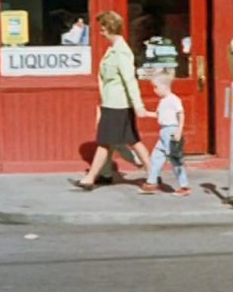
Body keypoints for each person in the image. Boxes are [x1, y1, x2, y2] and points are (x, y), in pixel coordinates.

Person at [70, 11, 155, 191]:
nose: (101, 32)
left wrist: (139, 106)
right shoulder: (113, 50)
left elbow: (129, 80)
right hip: (112, 103)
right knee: (131, 141)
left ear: (109, 29)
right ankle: (152, 174)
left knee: (106, 142)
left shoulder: (121, 52)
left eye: (102, 29)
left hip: (118, 104)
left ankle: (90, 178)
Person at [138, 73, 190, 196]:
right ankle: (152, 182)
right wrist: (145, 113)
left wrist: (179, 131)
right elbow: (158, 115)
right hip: (163, 131)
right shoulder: (162, 101)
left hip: (171, 130)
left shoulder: (174, 99)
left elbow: (181, 114)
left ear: (164, 87)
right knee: (156, 156)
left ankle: (184, 186)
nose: (154, 90)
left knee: (174, 158)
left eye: (156, 87)